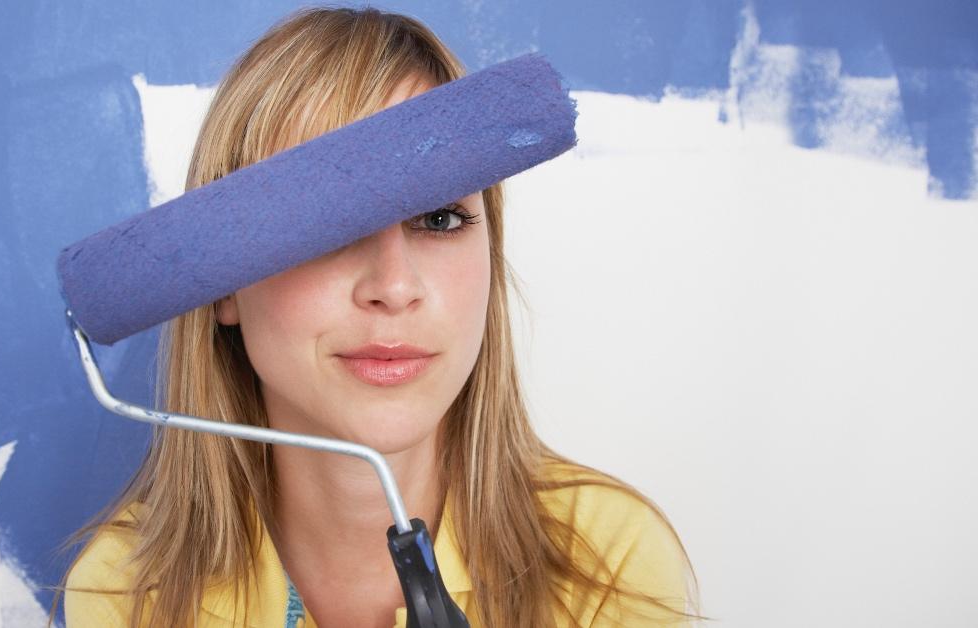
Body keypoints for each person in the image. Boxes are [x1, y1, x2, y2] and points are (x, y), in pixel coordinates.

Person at [49, 6, 708, 627]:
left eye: (441, 218)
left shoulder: (609, 561)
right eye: (325, 226)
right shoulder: (127, 593)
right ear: (223, 285)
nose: (394, 287)